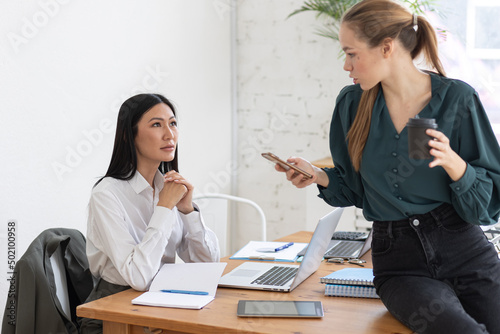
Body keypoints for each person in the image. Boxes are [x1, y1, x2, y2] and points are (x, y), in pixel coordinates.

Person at [275, 1, 500, 333]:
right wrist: (319, 176)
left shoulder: (457, 99)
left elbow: (488, 206)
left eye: (352, 54)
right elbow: (355, 188)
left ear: (386, 47)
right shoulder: (352, 105)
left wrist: (456, 165)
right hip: (401, 264)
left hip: (465, 250)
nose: (346, 65)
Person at [80, 93, 220, 333]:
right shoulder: (106, 194)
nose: (170, 134)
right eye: (157, 124)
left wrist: (187, 210)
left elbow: (206, 264)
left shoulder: (168, 187)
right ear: (128, 135)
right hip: (114, 313)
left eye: (173, 123)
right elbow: (138, 277)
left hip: (160, 302)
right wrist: (164, 208)